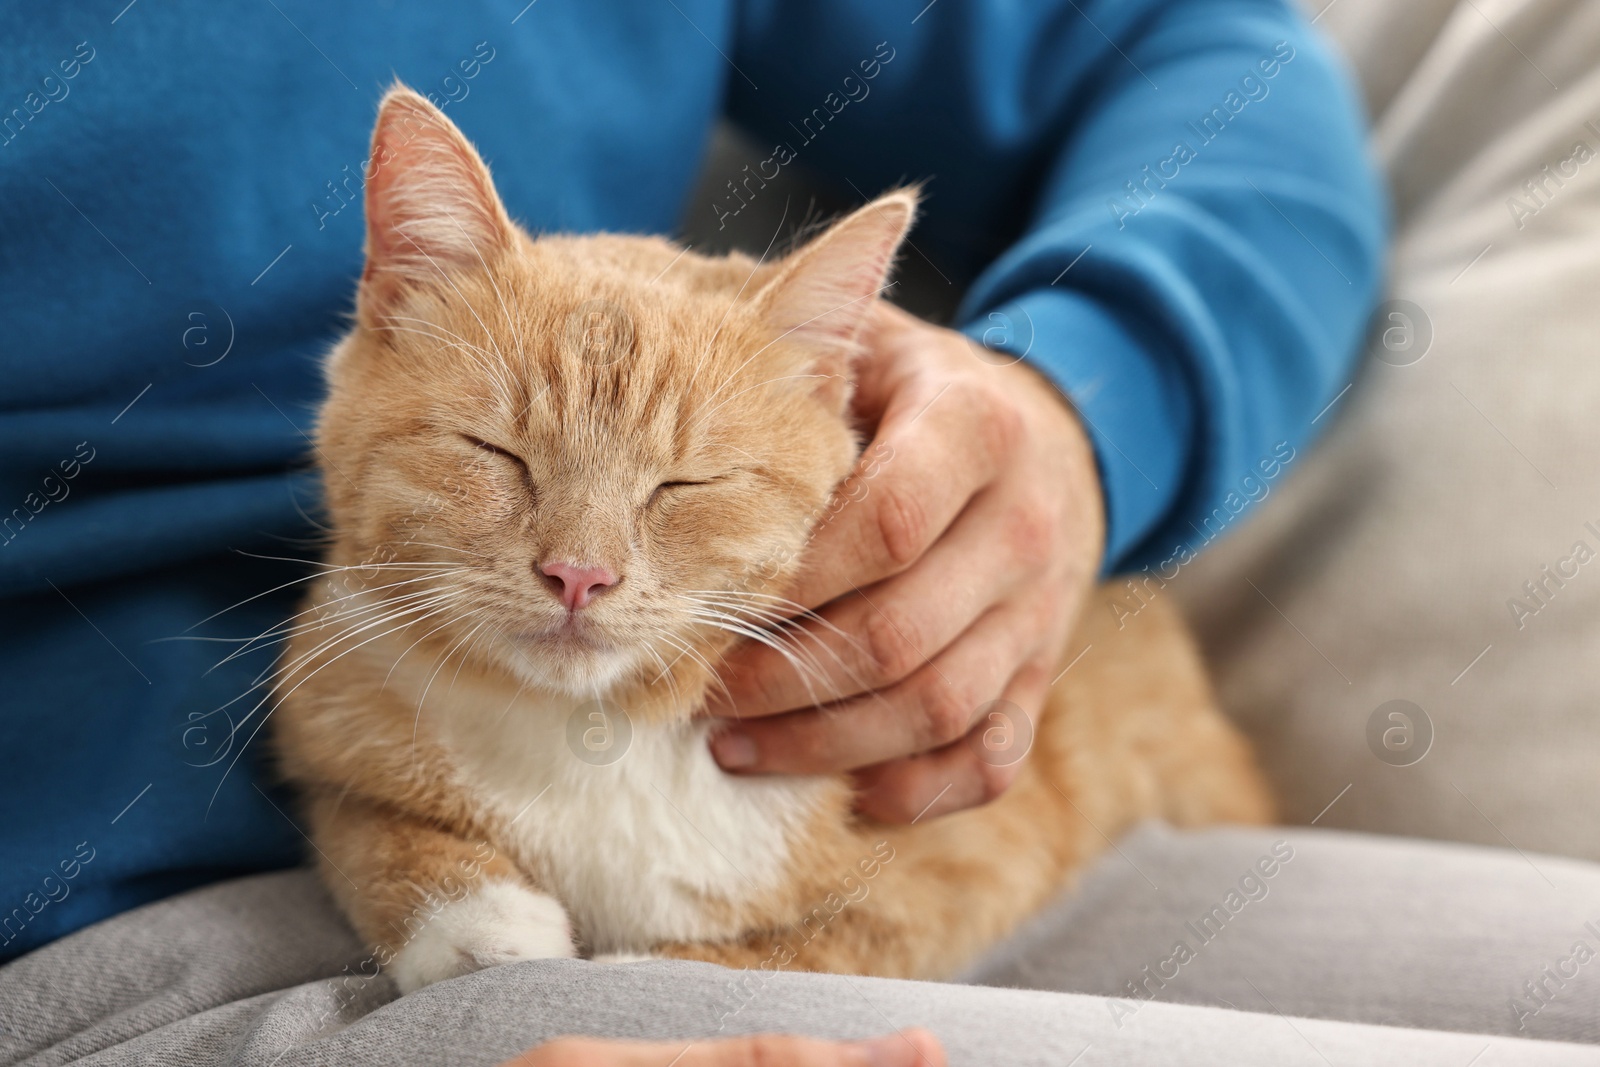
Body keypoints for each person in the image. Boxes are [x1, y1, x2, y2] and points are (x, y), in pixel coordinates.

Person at [0, 0, 1382, 1061]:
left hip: (1047, 851)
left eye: (670, 492)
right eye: (493, 458)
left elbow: (1191, 52)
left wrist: (1087, 401)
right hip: (113, 936)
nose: (578, 562)